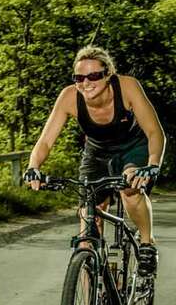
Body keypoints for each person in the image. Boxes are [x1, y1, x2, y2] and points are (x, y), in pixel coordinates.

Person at [24, 46, 165, 275]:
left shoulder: (127, 87)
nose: (86, 83)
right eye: (79, 77)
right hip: (96, 153)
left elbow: (154, 132)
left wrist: (152, 164)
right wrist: (33, 167)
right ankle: (90, 292)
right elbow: (46, 141)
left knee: (129, 189)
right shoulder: (69, 96)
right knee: (89, 219)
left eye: (93, 76)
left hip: (133, 148)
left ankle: (147, 242)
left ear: (108, 74)